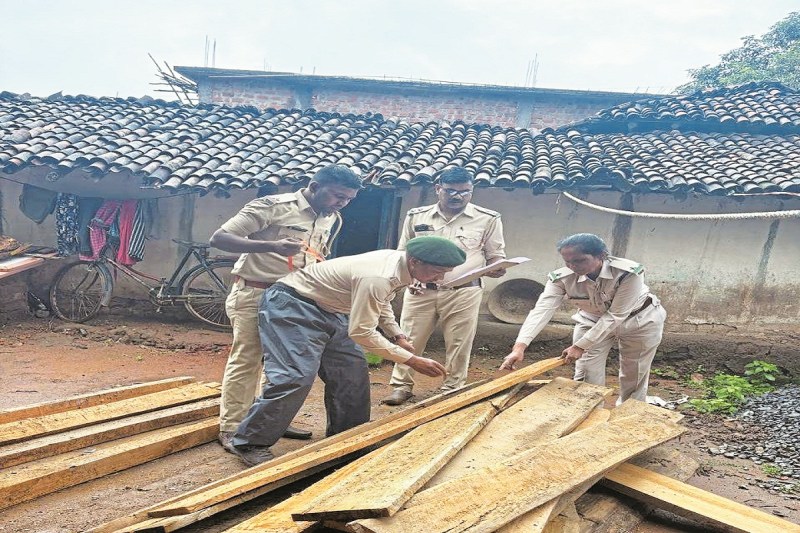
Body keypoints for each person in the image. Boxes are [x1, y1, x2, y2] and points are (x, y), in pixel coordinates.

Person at [229, 236, 466, 465]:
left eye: (445, 272)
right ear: (415, 261)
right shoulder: (379, 275)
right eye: (437, 271)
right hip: (293, 304)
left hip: (332, 309)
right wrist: (411, 360)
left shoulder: (400, 266)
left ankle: (348, 438)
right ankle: (250, 442)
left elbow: (380, 301)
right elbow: (362, 333)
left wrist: (397, 335)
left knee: (352, 373)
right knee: (295, 375)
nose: (440, 277)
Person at [209, 165, 361, 453]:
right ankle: (232, 426)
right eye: (338, 196)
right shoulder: (272, 207)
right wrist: (272, 246)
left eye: (348, 199)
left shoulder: (332, 218)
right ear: (315, 187)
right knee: (248, 358)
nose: (342, 203)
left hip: (298, 300)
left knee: (281, 364)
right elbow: (220, 238)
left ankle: (267, 420)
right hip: (257, 291)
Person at [382, 167, 506, 406]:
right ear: (438, 189)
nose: (457, 196)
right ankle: (401, 386)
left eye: (464, 192)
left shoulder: (488, 218)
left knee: (459, 341)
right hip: (420, 290)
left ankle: (452, 387)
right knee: (409, 338)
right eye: (450, 191)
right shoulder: (417, 216)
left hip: (464, 291)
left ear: (472, 191)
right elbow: (403, 253)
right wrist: (408, 280)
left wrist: (498, 267)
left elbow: (495, 256)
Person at [500, 233, 666, 405]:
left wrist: (580, 346)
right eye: (567, 261)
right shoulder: (561, 278)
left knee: (635, 371)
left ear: (601, 255)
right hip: (592, 320)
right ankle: (589, 413)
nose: (572, 266)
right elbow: (541, 310)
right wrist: (520, 346)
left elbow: (616, 315)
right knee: (586, 371)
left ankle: (630, 413)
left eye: (579, 260)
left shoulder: (628, 273)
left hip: (639, 319)